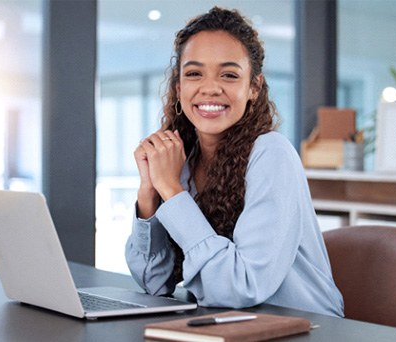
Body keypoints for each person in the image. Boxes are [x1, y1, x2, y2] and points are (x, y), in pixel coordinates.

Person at [126, 6, 344, 317]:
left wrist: (172, 192)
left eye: (229, 75)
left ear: (254, 87)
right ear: (179, 88)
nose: (210, 87)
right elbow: (154, 283)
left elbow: (240, 287)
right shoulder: (183, 160)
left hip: (301, 328)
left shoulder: (272, 154)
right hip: (229, 325)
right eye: (194, 73)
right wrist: (150, 192)